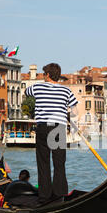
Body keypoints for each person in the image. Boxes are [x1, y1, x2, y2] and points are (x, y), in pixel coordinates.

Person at [25, 63, 78, 204]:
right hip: (58, 128)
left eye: (43, 74)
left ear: (48, 75)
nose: (43, 77)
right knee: (59, 163)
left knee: (43, 163)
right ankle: (60, 195)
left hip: (43, 127)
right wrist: (67, 115)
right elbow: (74, 110)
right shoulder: (66, 91)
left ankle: (44, 197)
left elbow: (26, 92)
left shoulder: (37, 87)